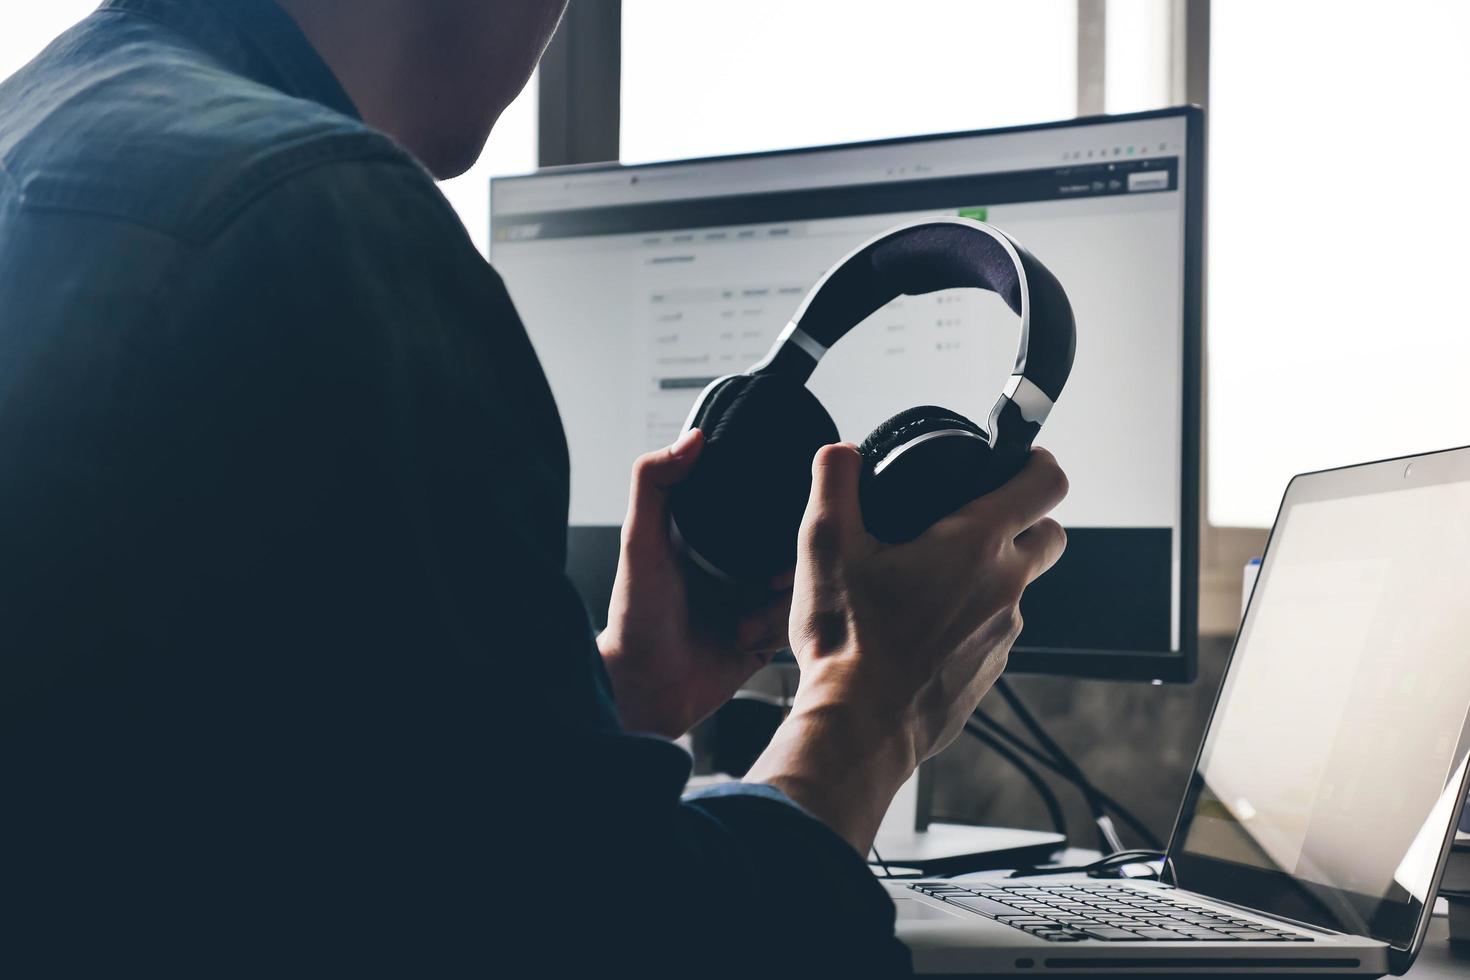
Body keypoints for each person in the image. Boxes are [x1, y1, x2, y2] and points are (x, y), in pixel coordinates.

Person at [0, 0, 1067, 974]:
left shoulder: (37, 130)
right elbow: (611, 948)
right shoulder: (321, 213)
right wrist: (867, 704)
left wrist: (615, 696)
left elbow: (248, 796)